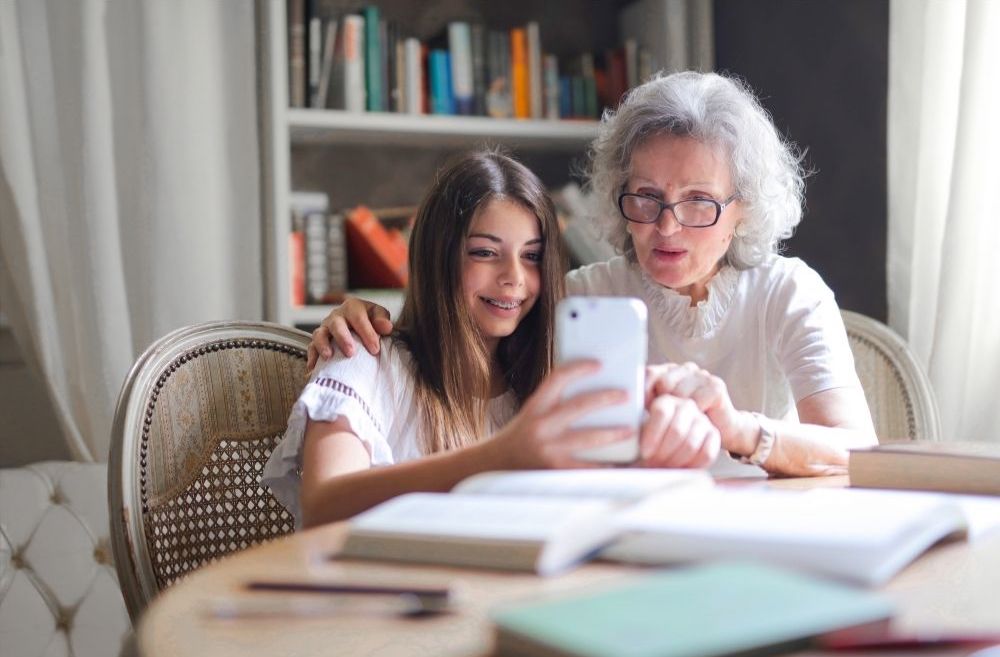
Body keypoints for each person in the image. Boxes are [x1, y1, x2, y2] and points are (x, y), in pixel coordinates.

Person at [308, 72, 879, 478]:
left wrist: (738, 430)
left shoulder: (788, 290)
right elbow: (461, 338)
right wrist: (361, 317)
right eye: (646, 197)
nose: (667, 227)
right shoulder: (576, 299)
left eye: (699, 202)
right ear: (616, 194)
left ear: (744, 209)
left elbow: (857, 450)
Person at [263, 150, 720, 529]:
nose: (514, 279)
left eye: (532, 257)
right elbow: (323, 505)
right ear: (437, 257)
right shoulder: (363, 358)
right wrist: (501, 456)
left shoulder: (545, 381)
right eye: (485, 253)